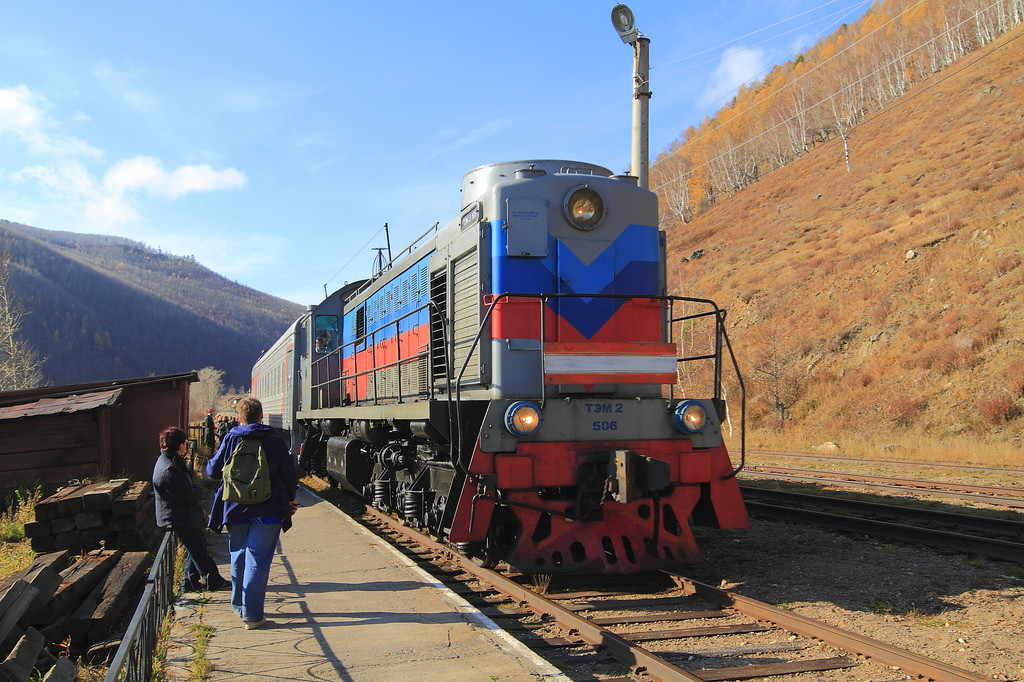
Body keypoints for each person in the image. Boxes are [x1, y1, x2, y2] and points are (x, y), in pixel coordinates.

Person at [206, 397, 298, 630]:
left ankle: (238, 606)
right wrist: (290, 499)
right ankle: (253, 616)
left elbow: (213, 470)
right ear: (261, 415)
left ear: (239, 417)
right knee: (258, 560)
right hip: (268, 509)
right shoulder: (274, 440)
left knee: (238, 556)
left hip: (235, 509)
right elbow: (289, 474)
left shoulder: (231, 437)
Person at [152, 426, 230, 592]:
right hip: (178, 515)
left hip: (182, 513)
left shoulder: (170, 461)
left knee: (196, 546)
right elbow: (187, 493)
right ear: (179, 445)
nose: (186, 445)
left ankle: (189, 582)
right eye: (184, 442)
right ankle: (213, 580)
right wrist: (199, 492)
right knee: (198, 548)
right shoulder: (169, 468)